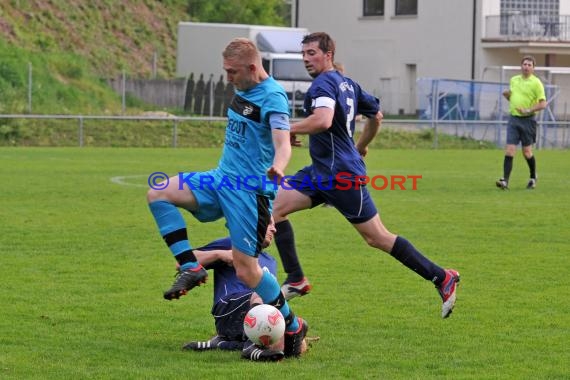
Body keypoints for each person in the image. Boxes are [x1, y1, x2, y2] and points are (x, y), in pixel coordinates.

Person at [273, 32, 460, 319]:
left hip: (340, 176)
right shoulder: (348, 84)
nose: (306, 59)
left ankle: (441, 277)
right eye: (304, 54)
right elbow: (377, 116)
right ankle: (296, 278)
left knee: (377, 238)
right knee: (272, 208)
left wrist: (287, 130)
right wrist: (361, 145)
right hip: (321, 172)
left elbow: (322, 120)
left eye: (312, 53)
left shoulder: (323, 83)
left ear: (329, 54)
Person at [147, 37, 308, 357]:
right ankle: (191, 267)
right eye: (226, 71)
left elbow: (284, 141)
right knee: (159, 192)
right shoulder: (242, 87)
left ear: (252, 67)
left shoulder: (273, 97)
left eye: (233, 72)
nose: (228, 78)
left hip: (248, 191)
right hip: (220, 178)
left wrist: (278, 165)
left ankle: (291, 324)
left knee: (248, 271)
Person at [182, 219, 308, 361]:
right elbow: (184, 260)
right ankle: (251, 347)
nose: (274, 229)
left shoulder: (270, 260)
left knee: (295, 344)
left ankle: (223, 343)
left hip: (250, 317)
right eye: (269, 224)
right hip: (227, 309)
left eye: (274, 225)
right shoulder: (233, 244)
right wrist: (220, 255)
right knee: (262, 294)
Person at [496, 55, 547, 190]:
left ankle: (532, 177)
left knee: (527, 152)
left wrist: (528, 110)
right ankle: (505, 181)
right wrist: (508, 96)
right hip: (514, 119)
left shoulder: (536, 83)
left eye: (529, 65)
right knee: (510, 150)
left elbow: (543, 104)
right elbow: (513, 98)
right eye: (524, 64)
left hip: (528, 120)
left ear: (533, 68)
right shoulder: (514, 80)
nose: (526, 67)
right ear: (521, 66)